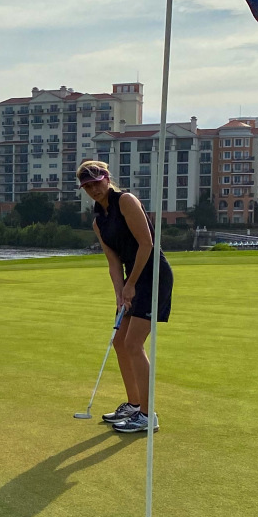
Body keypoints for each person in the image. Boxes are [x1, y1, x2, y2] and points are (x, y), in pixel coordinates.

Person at [78, 159, 173, 434]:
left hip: (153, 276)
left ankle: (147, 415)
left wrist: (131, 284)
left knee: (133, 344)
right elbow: (113, 262)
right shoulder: (99, 221)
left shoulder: (126, 201)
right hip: (132, 279)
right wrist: (119, 294)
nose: (94, 190)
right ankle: (134, 404)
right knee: (120, 342)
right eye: (87, 187)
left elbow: (147, 244)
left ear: (107, 179)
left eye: (97, 183)